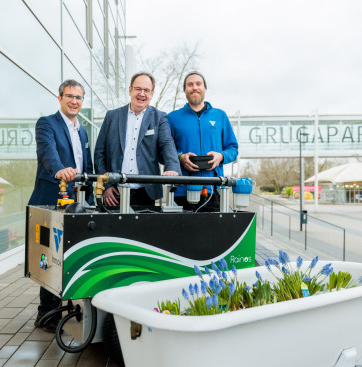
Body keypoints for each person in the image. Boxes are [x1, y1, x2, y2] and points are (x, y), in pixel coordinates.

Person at [28, 79, 93, 332]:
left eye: (78, 97)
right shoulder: (47, 123)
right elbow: (48, 153)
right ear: (60, 98)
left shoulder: (83, 131)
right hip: (50, 201)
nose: (74, 101)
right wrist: (60, 170)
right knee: (50, 258)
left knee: (70, 256)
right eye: (69, 96)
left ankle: (63, 305)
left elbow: (85, 164)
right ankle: (46, 314)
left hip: (76, 203)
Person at [94, 72, 181, 207]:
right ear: (130, 90)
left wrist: (173, 168)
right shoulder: (112, 116)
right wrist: (106, 185)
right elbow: (100, 153)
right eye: (138, 89)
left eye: (146, 90)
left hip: (146, 193)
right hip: (114, 193)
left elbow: (167, 144)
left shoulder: (159, 118)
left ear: (152, 94)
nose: (142, 94)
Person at [167, 71, 238, 210]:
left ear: (205, 88)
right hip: (182, 190)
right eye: (190, 84)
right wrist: (180, 157)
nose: (194, 87)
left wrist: (221, 156)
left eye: (198, 84)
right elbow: (162, 152)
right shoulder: (172, 118)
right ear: (185, 90)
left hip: (213, 189)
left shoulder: (220, 116)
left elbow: (233, 149)